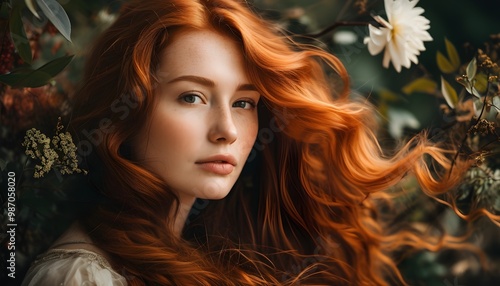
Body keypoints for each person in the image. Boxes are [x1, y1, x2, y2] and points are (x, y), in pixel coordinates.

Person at [21, 0, 473, 285]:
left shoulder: (210, 244)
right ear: (125, 112)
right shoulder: (80, 276)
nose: (228, 130)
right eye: (192, 96)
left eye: (243, 103)